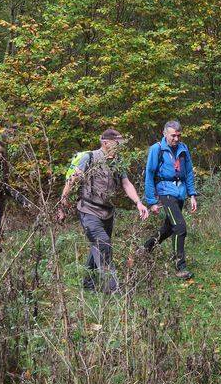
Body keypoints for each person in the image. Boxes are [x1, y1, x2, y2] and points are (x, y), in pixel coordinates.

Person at [57, 129, 149, 294]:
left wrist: (138, 202)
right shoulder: (90, 158)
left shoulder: (117, 161)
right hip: (88, 210)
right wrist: (62, 206)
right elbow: (72, 181)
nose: (120, 147)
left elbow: (126, 184)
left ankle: (88, 283)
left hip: (107, 212)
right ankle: (112, 289)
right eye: (117, 143)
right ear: (106, 143)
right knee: (103, 243)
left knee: (98, 245)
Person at [142, 120, 198, 280]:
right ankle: (180, 266)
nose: (176, 139)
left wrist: (192, 194)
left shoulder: (183, 148)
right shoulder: (156, 149)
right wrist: (151, 201)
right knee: (180, 227)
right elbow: (150, 174)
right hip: (165, 192)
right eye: (173, 135)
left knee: (168, 229)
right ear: (165, 133)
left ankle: (144, 249)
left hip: (180, 192)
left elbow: (188, 172)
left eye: (179, 135)